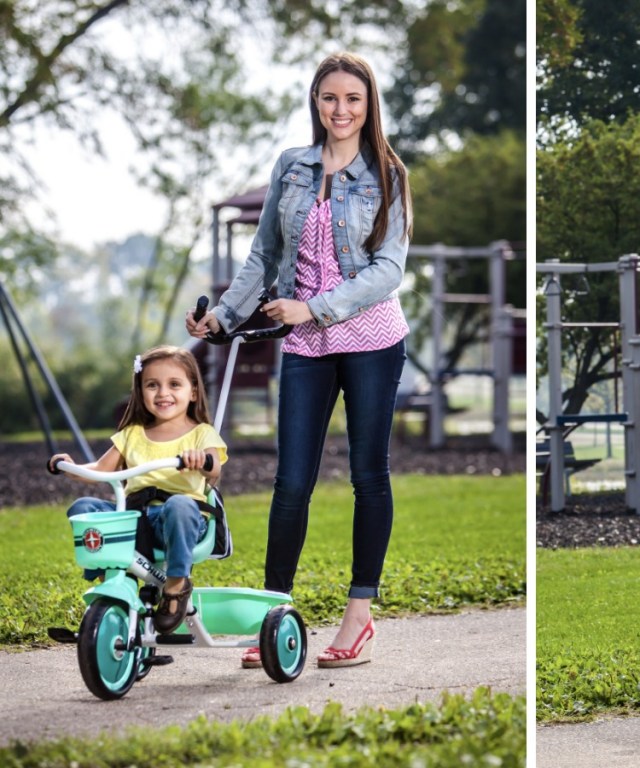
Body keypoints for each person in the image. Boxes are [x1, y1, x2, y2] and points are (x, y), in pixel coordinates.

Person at [186, 52, 411, 670]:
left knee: (369, 474)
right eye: (330, 98)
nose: (341, 110)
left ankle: (359, 614)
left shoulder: (388, 172)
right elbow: (262, 256)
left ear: (370, 107)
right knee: (291, 483)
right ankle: (274, 614)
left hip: (371, 340)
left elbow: (389, 270)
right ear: (316, 102)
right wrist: (224, 318)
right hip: (305, 348)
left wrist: (314, 307)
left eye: (353, 99)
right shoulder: (292, 167)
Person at [49, 346, 227, 634]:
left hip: (179, 520)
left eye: (174, 384)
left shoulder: (201, 433)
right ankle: (111, 581)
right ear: (140, 391)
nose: (162, 393)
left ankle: (175, 584)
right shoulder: (131, 434)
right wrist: (71, 465)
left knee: (180, 504)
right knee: (84, 508)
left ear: (193, 391)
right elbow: (102, 469)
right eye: (152, 385)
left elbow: (214, 467)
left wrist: (201, 460)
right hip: (134, 517)